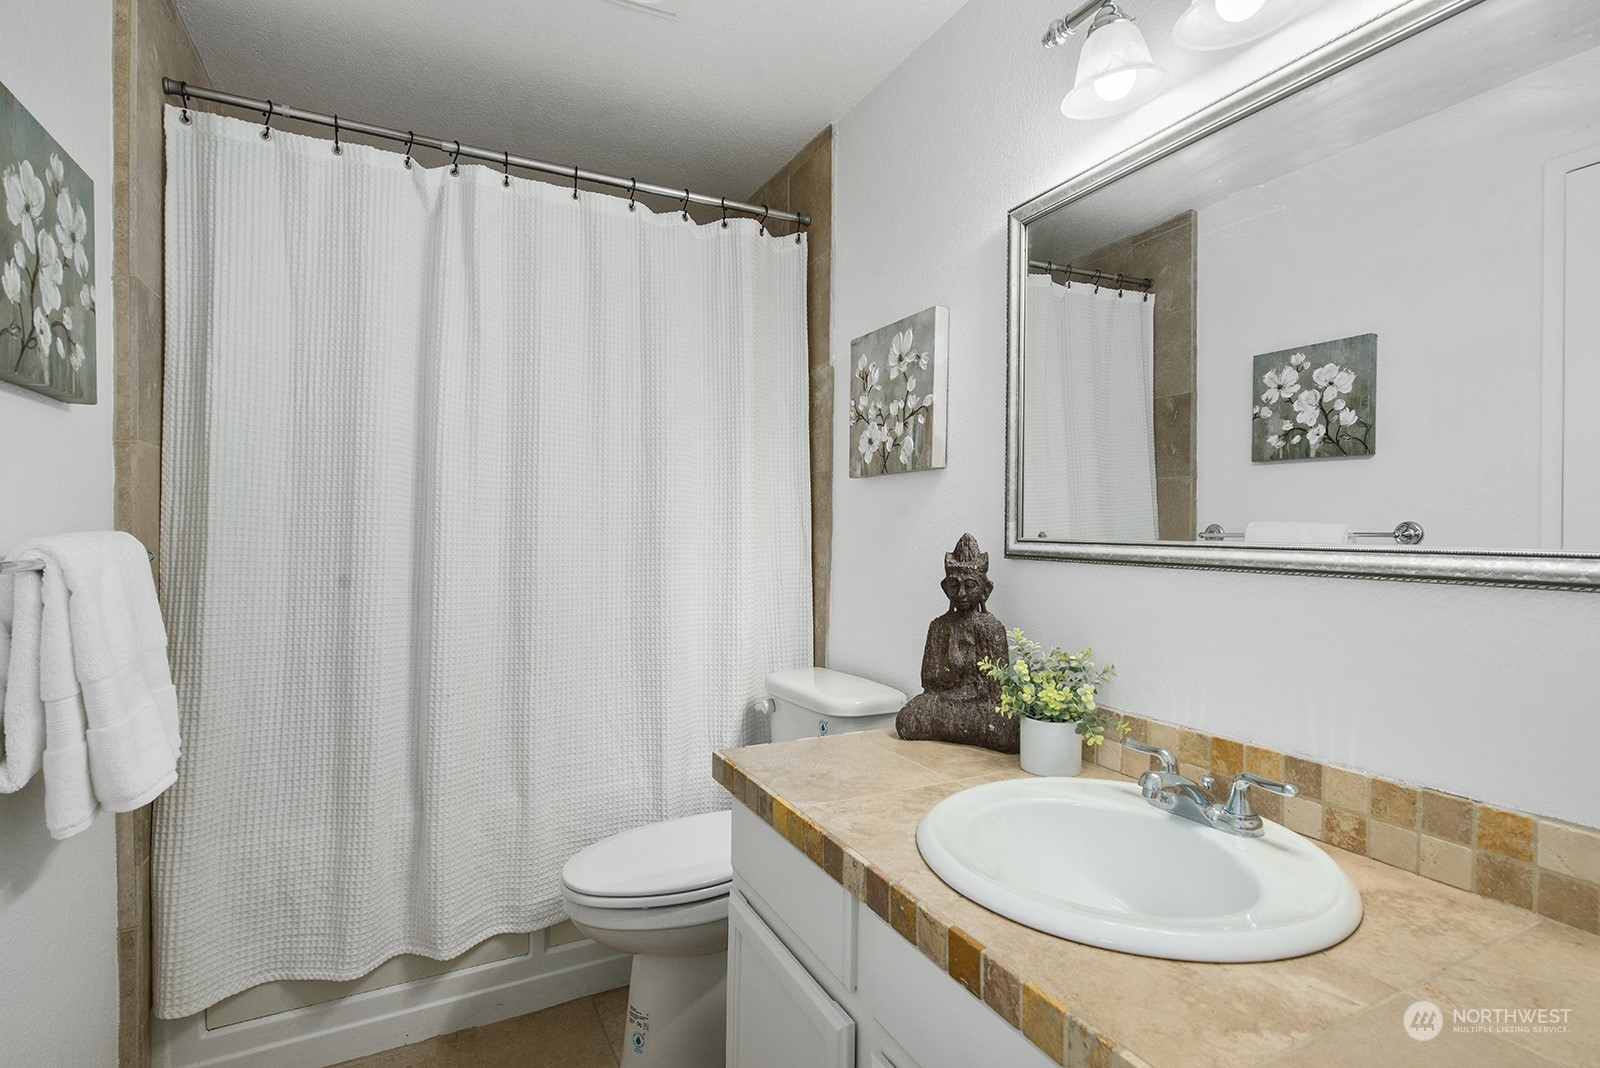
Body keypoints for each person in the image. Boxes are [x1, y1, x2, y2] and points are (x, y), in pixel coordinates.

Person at [894, 533, 1018, 753]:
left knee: (1007, 728)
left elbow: (995, 694)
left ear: (985, 590)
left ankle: (953, 729)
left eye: (969, 585)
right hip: (942, 703)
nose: (961, 593)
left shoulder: (989, 628)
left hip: (977, 708)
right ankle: (955, 729)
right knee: (907, 719)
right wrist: (953, 660)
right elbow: (929, 684)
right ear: (945, 588)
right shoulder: (939, 627)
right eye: (954, 585)